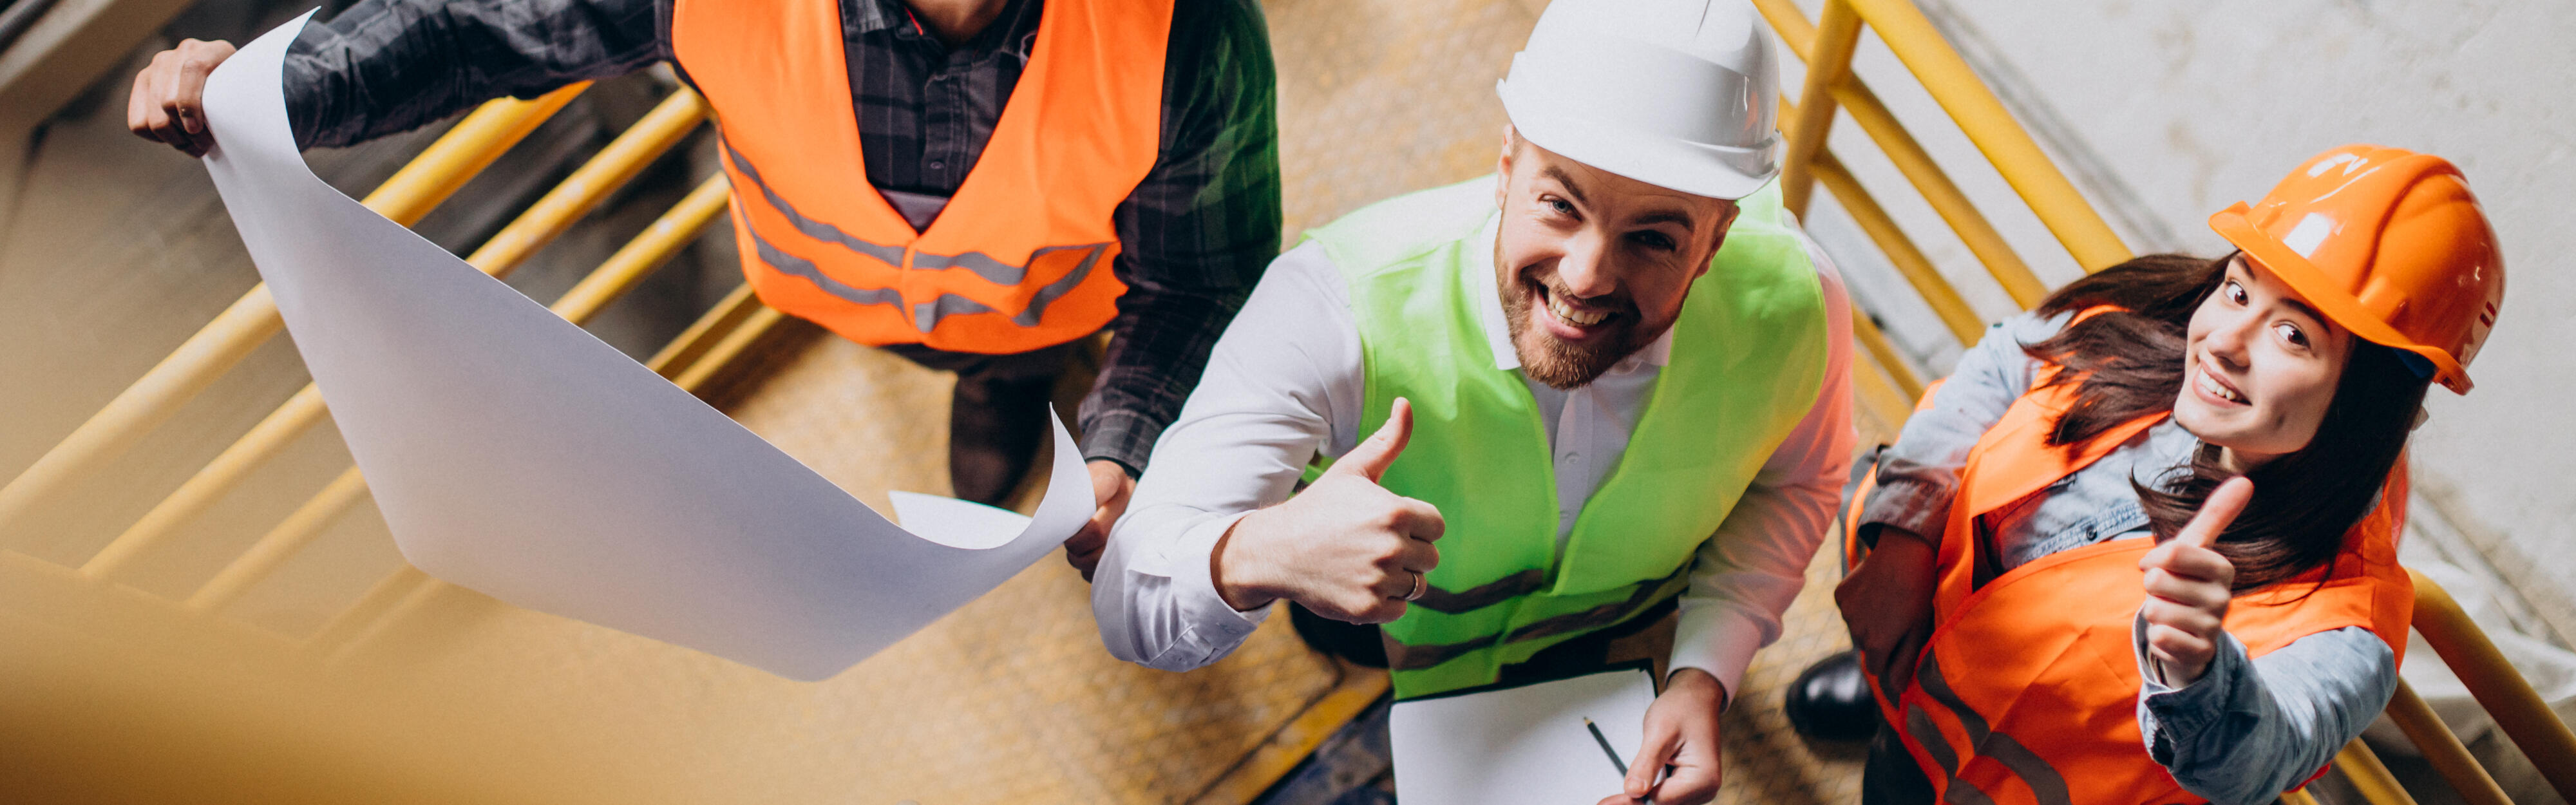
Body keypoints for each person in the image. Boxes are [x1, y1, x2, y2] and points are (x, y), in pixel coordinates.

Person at [123, 0, 1282, 574]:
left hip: (1050, 300)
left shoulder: (1192, 37)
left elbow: (1191, 281)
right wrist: (270, 91)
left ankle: (1010, 385)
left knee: (1018, 359)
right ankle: (983, 383)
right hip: (837, 288)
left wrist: (1127, 446)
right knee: (948, 353)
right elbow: (475, 25)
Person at [1090, 2, 1855, 802]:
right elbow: (1128, 592)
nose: (1587, 275)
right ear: (1505, 163)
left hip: (1615, 632)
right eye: (1560, 205)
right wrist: (1263, 552)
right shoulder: (1331, 310)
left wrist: (1704, 671)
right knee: (1341, 632)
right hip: (1381, 627)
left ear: (1716, 239)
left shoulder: (1799, 308)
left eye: (1654, 238)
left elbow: (1796, 484)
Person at [1831, 144, 2505, 805]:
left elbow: (2257, 759)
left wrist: (2196, 672)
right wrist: (1903, 545)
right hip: (1911, 681)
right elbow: (2007, 359)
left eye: (2293, 335)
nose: (2222, 340)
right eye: (2238, 289)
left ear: (2372, 402)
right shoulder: (2143, 327)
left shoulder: (2345, 625)